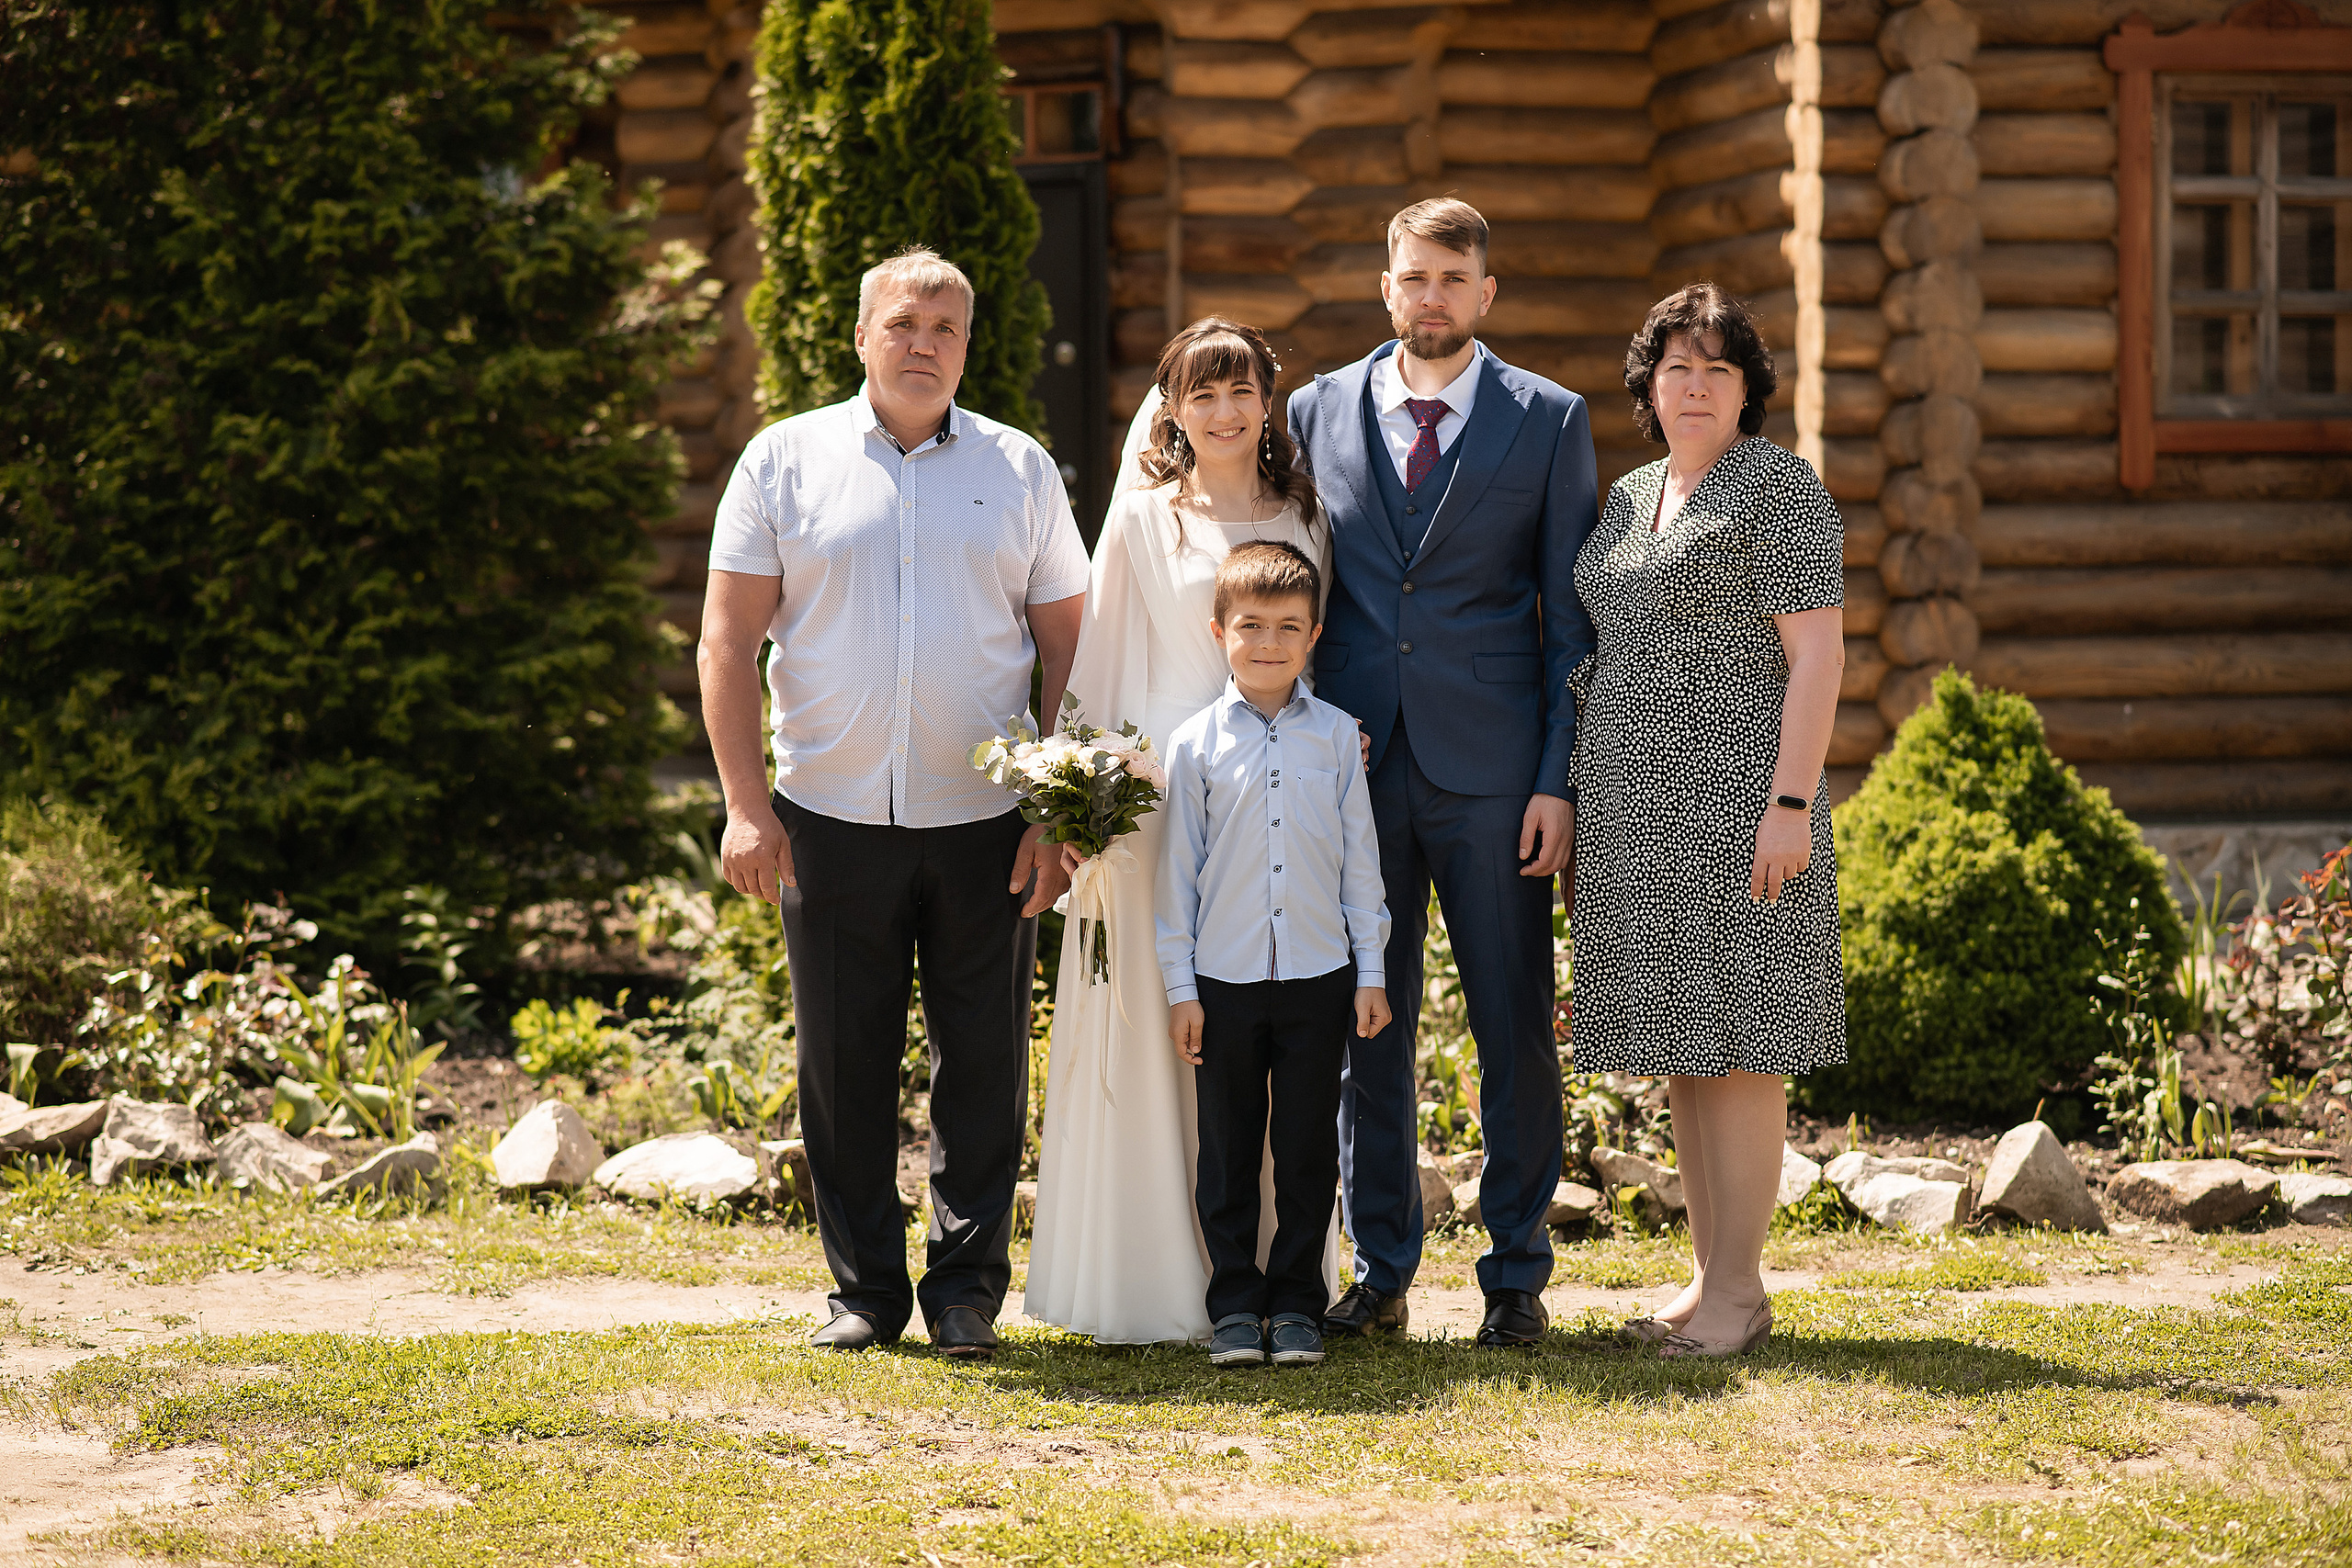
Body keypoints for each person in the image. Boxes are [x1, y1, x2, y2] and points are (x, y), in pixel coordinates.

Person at [697, 246, 1088, 1359]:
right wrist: (743, 806)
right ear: (861, 336)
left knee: (985, 1062)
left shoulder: (1019, 470)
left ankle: (964, 1291)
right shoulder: (783, 461)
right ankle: (864, 1292)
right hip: (823, 816)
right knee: (844, 1062)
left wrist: (1054, 805)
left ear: (968, 347)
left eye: (946, 329)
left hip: (986, 822)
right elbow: (727, 642)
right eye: (904, 324)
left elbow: (1066, 642)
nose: (924, 344)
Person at [1286, 198, 1599, 1348]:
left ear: (1485, 293)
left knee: (1513, 1023)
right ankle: (1380, 1271)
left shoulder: (1549, 421)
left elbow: (1571, 624)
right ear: (1386, 287)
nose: (1432, 298)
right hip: (1355, 765)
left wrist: (1558, 781)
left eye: (1453, 279)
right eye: (1412, 278)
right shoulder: (1313, 409)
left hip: (1496, 774)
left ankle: (1516, 1273)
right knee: (1369, 1021)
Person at [1023, 318, 1339, 1346]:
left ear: (1265, 398)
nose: (1223, 410)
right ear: (1172, 408)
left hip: (1279, 795)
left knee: (1268, 1026)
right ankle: (1157, 1278)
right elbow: (1100, 662)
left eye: (1240, 388)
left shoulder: (1301, 511)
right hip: (1161, 793)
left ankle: (1272, 1279)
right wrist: (1082, 804)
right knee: (1166, 1026)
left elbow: (1310, 649)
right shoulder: (1142, 518)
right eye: (1201, 393)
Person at [1569, 281, 1846, 1359]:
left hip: (1740, 806)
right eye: (1676, 367)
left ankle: (1740, 1288)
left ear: (1746, 391)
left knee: (1740, 1046)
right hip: (1638, 810)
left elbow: (1816, 654)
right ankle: (1705, 1279)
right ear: (1648, 383)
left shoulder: (1776, 489)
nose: (1694, 385)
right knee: (1686, 1047)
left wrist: (1787, 805)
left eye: (1716, 369)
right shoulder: (1633, 492)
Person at [1159, 542, 1392, 1368]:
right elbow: (1177, 875)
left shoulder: (1335, 738)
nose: (1268, 642)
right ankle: (1233, 1302)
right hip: (1222, 981)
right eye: (1250, 625)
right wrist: (1181, 986)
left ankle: (1296, 1300)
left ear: (1314, 634)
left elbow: (1361, 860)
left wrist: (1370, 970)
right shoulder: (1193, 745)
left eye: (1288, 626)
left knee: (1303, 1149)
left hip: (1318, 978)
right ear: (1219, 630)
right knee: (1225, 1148)